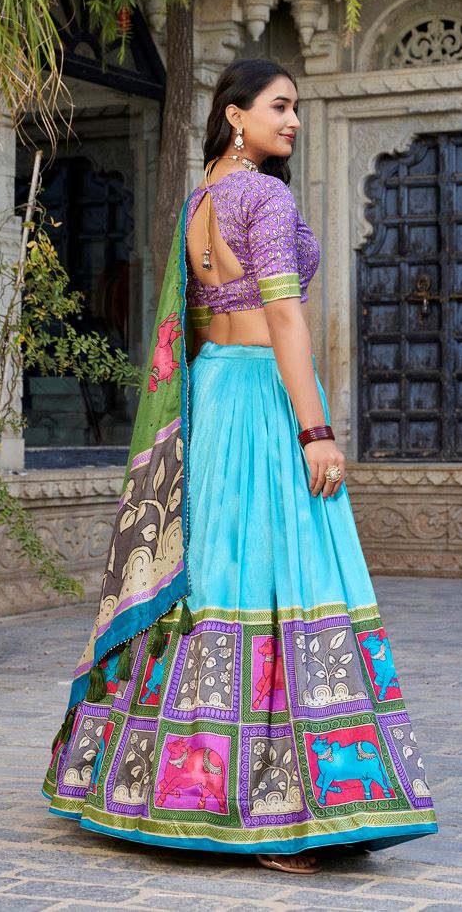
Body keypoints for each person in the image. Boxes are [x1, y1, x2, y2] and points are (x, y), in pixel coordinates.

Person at [43, 58, 438, 873]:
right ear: (234, 114)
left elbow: (198, 321)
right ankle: (279, 804)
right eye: (280, 106)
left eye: (296, 108)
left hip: (213, 397)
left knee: (214, 571)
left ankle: (159, 784)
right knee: (283, 574)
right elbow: (286, 316)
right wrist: (315, 429)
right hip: (262, 397)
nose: (292, 120)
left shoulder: (198, 202)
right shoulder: (263, 195)